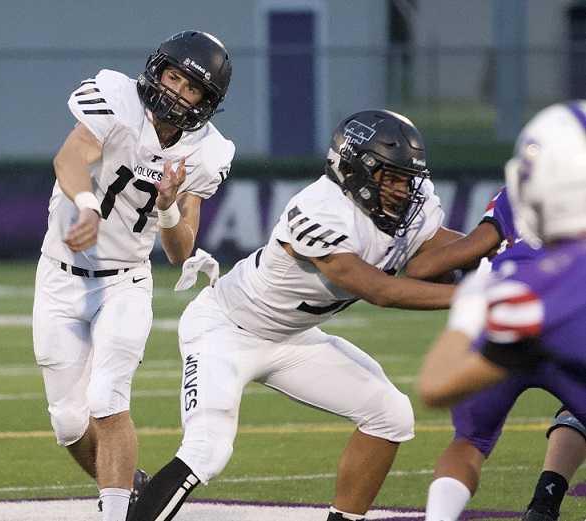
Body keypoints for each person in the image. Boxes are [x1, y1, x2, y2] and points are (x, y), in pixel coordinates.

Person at [128, 109, 459, 521]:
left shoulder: (405, 208)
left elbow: (443, 249)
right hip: (226, 331)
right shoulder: (318, 209)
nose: (401, 190)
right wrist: (474, 297)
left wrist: (504, 248)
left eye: (406, 179)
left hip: (292, 338)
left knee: (390, 414)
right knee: (206, 450)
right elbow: (380, 290)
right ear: (355, 170)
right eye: (389, 177)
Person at [32, 30, 234, 521]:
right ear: (157, 70)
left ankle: (117, 513)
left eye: (191, 88)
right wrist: (85, 207)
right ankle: (133, 484)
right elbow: (70, 157)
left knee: (107, 397)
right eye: (173, 77)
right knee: (67, 421)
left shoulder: (208, 152)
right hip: (59, 276)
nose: (176, 92)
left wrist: (168, 208)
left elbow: (179, 249)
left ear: (206, 102)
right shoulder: (116, 96)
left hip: (124, 280)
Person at [417, 101, 586, 521]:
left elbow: (436, 386)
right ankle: (544, 504)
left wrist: (471, 306)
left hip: (511, 316)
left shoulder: (520, 292)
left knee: (468, 442)